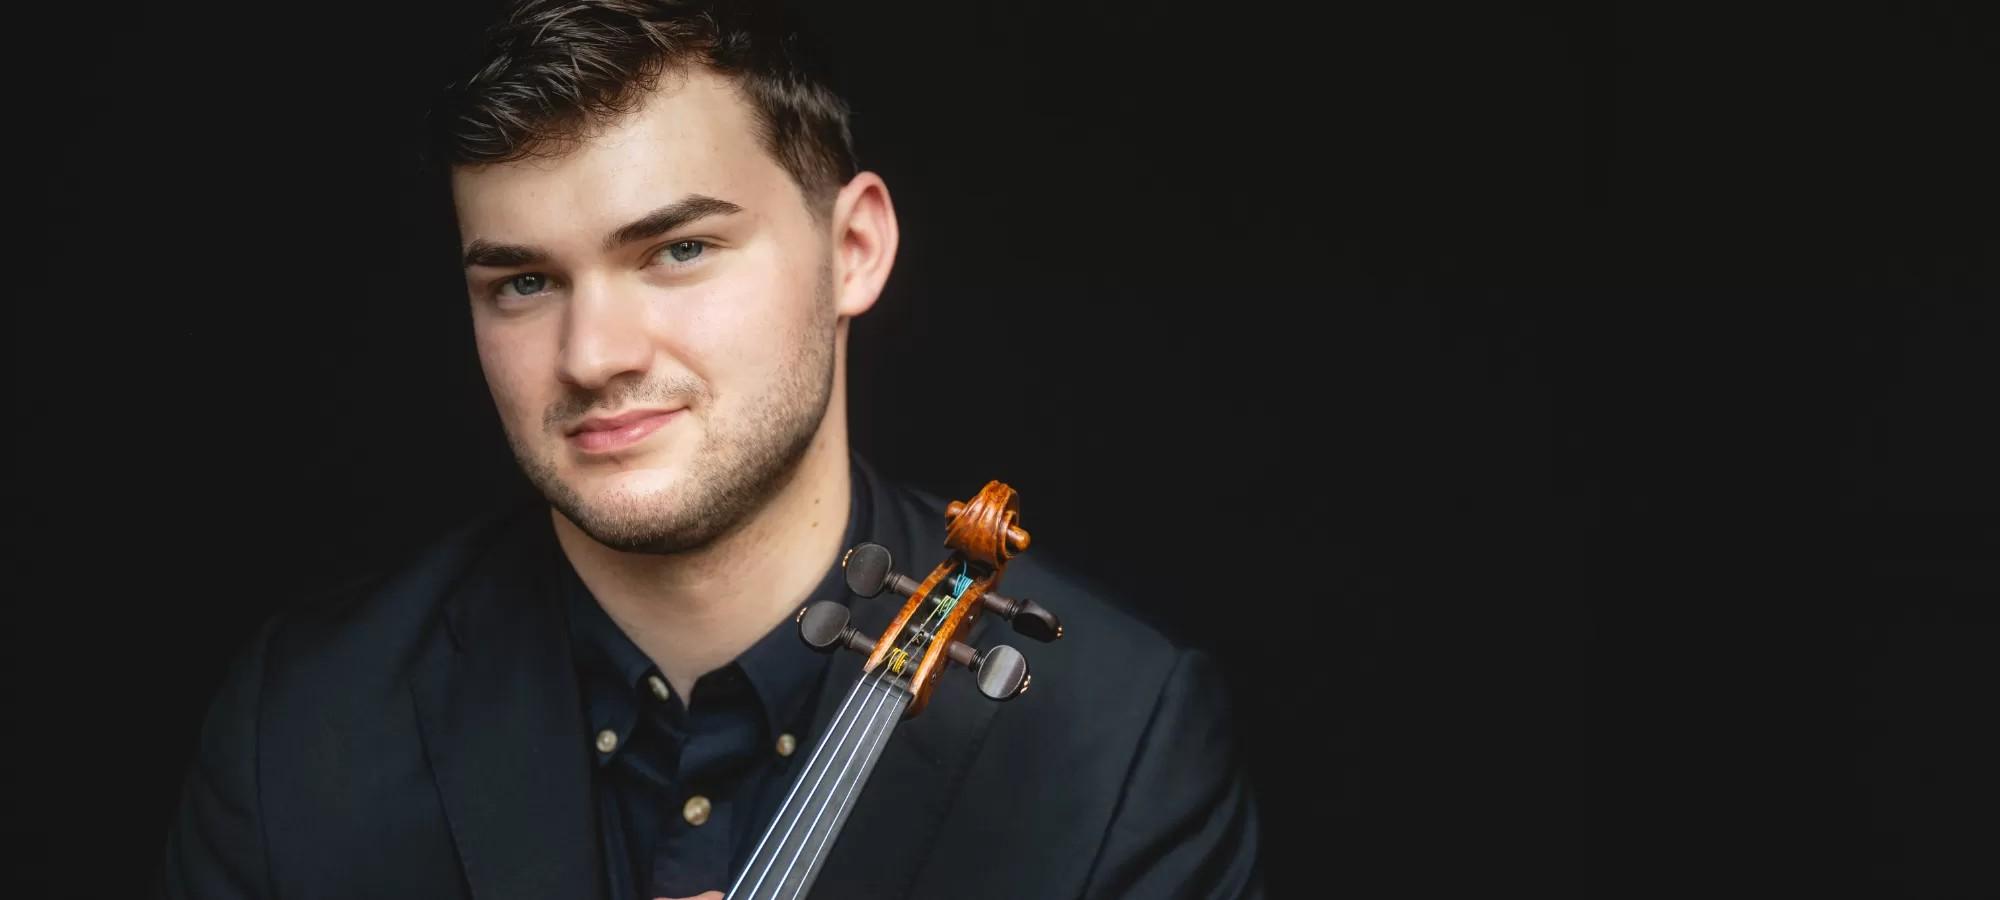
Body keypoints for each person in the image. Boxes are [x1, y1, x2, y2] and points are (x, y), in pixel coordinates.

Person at [158, 1, 1261, 897]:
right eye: (524, 282)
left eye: (678, 250)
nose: (592, 355)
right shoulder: (301, 729)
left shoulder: (1119, 747)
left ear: (854, 249)